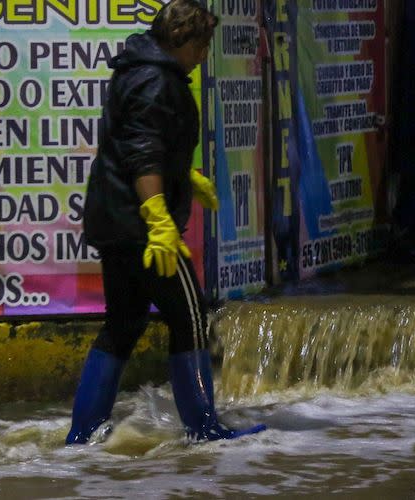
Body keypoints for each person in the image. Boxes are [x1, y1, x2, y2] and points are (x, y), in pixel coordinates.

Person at [67, 0, 265, 444]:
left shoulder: (139, 69)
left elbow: (138, 143)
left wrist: (183, 176)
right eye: (203, 42)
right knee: (190, 317)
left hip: (115, 220)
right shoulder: (157, 80)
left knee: (124, 323)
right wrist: (158, 215)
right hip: (141, 228)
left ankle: (81, 436)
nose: (205, 52)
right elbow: (142, 153)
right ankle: (204, 428)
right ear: (181, 40)